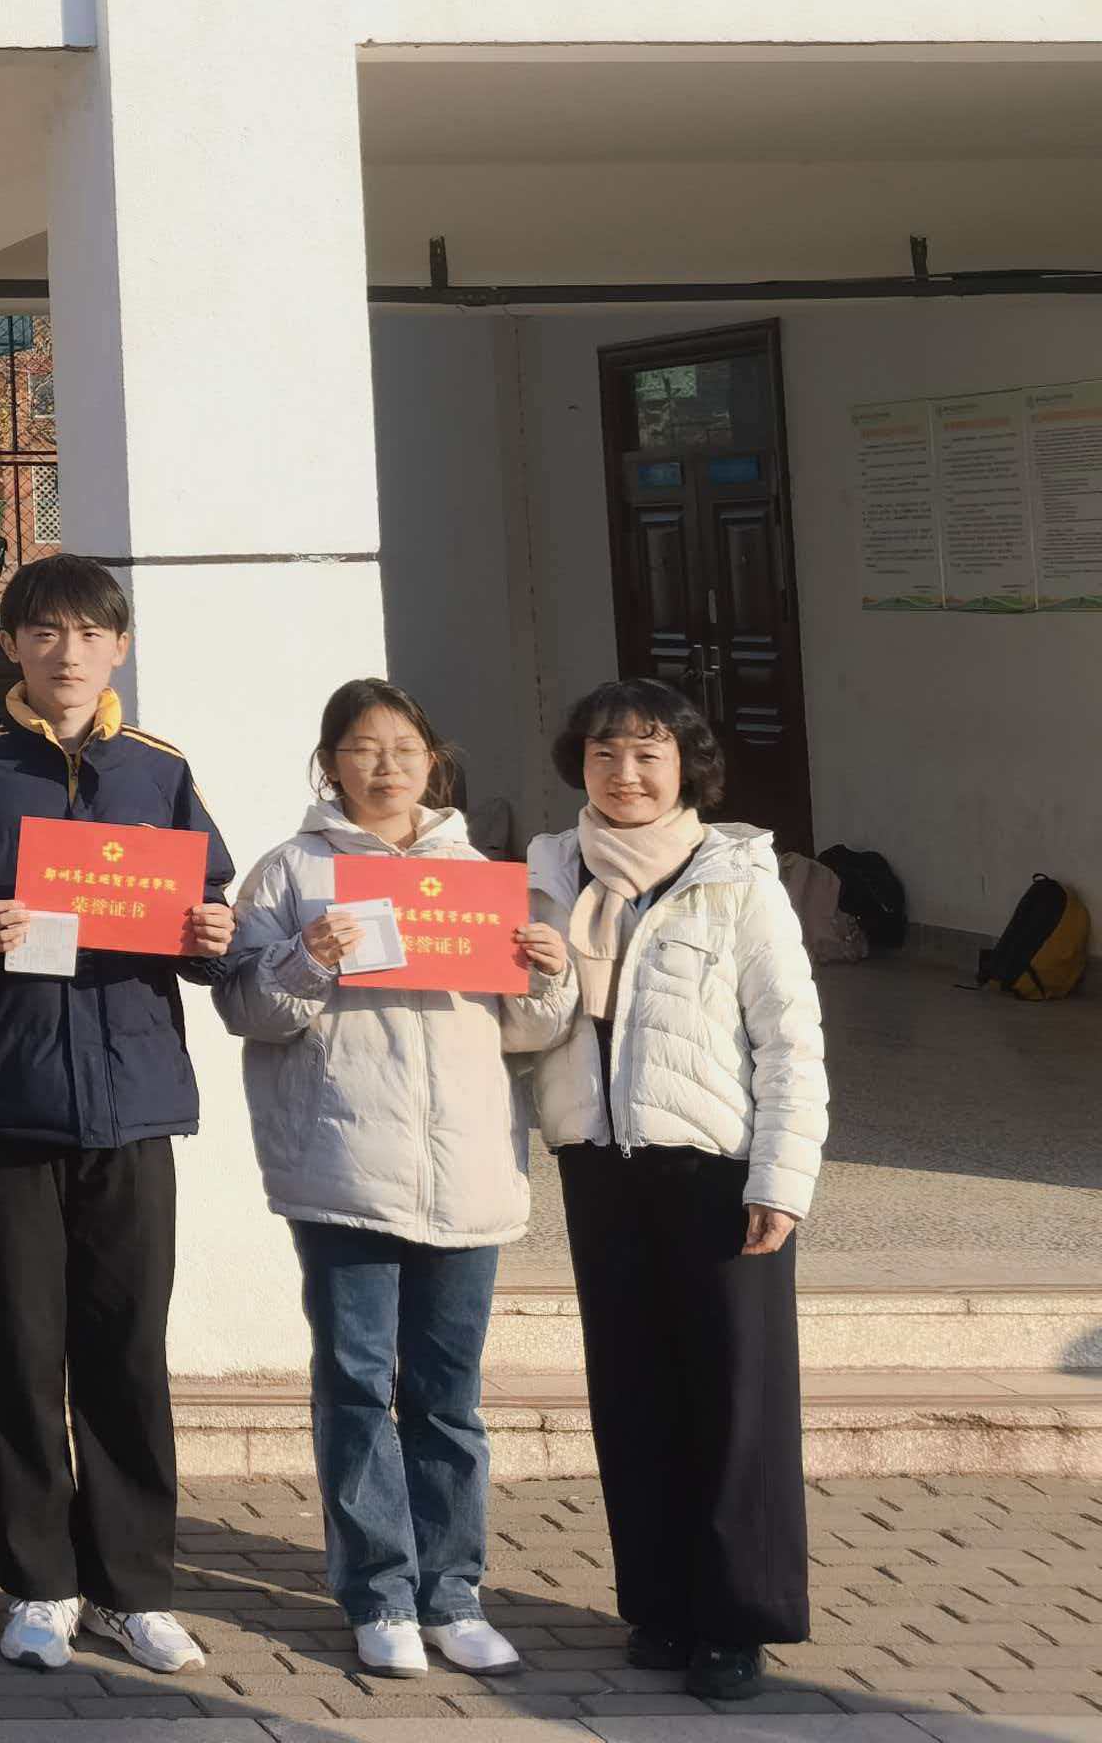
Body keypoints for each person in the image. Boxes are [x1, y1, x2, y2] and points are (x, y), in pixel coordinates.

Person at [0, 552, 234, 1676]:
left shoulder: (160, 770)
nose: (68, 653)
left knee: (128, 1352)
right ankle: (39, 1584)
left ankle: (134, 1589)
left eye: (90, 633)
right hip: (13, 1100)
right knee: (21, 1350)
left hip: (133, 1104)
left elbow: (207, 902)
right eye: (44, 632)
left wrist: (212, 934)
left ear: (119, 647)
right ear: (10, 647)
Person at [211, 680, 573, 1680]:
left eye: (405, 749)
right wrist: (306, 958)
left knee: (449, 1397)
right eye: (363, 749)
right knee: (358, 1385)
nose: (386, 766)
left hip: (468, 1170)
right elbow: (244, 1009)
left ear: (433, 762)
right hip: (343, 1167)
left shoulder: (479, 875)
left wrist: (548, 972)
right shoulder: (291, 873)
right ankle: (379, 1595)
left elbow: (528, 1032)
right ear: (330, 764)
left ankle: (452, 1595)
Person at [517, 679, 828, 1705]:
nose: (625, 774)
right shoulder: (548, 872)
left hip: (717, 1173)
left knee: (737, 1401)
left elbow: (789, 1041)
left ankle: (736, 1621)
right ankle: (658, 1604)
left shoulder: (737, 878)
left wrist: (782, 1178)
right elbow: (522, 1029)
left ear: (687, 767)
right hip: (599, 1166)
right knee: (633, 1390)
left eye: (648, 754)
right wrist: (542, 977)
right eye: (604, 754)